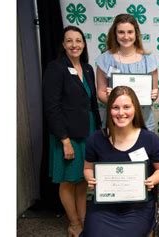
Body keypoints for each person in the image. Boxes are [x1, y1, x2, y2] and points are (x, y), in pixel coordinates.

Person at [82, 86, 159, 236]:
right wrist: (91, 179)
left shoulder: (150, 140)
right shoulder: (95, 139)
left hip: (137, 206)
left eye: (126, 107)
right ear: (109, 110)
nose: (121, 113)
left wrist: (152, 180)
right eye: (116, 107)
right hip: (105, 205)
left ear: (135, 109)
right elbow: (87, 168)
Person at [42, 25, 102, 236]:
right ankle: (74, 224)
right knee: (68, 180)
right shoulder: (56, 68)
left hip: (88, 131)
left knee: (82, 179)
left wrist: (99, 132)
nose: (74, 45)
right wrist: (64, 140)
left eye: (78, 40)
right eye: (69, 41)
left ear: (84, 44)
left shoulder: (87, 69)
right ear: (63, 44)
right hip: (66, 135)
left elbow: (92, 103)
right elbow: (51, 107)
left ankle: (84, 220)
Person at [95, 13, 159, 131]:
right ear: (115, 33)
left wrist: (154, 95)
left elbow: (154, 91)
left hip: (143, 122)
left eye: (130, 32)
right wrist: (111, 98)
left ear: (136, 33)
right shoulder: (104, 59)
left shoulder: (149, 60)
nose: (126, 36)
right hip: (116, 122)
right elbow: (100, 92)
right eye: (121, 32)